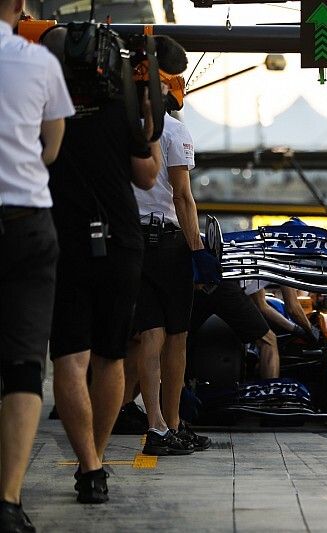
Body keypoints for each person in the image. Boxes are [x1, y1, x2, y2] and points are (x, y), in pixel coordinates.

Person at [42, 27, 177, 503]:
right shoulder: (121, 111)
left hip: (63, 239)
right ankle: (94, 465)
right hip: (119, 241)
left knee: (69, 358)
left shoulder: (46, 108)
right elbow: (147, 177)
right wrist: (150, 121)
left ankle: (90, 464)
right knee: (110, 357)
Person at [0, 2, 73, 529]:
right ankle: (7, 502)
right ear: (18, 6)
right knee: (24, 364)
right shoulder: (39, 61)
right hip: (25, 219)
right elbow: (51, 147)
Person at [127, 73, 216, 456]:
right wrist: (198, 250)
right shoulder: (175, 132)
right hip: (168, 242)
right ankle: (174, 423)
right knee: (176, 336)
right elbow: (182, 196)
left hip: (132, 242)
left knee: (150, 335)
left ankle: (156, 427)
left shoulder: (124, 129)